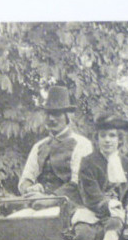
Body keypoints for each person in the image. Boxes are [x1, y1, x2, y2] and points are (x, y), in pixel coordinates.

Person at [15, 85, 92, 217]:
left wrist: (50, 200)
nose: (51, 119)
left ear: (67, 116)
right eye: (48, 113)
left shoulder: (81, 144)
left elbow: (78, 184)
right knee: (13, 222)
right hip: (39, 205)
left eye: (56, 114)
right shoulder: (39, 146)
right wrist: (30, 189)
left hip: (69, 206)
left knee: (39, 220)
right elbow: (25, 179)